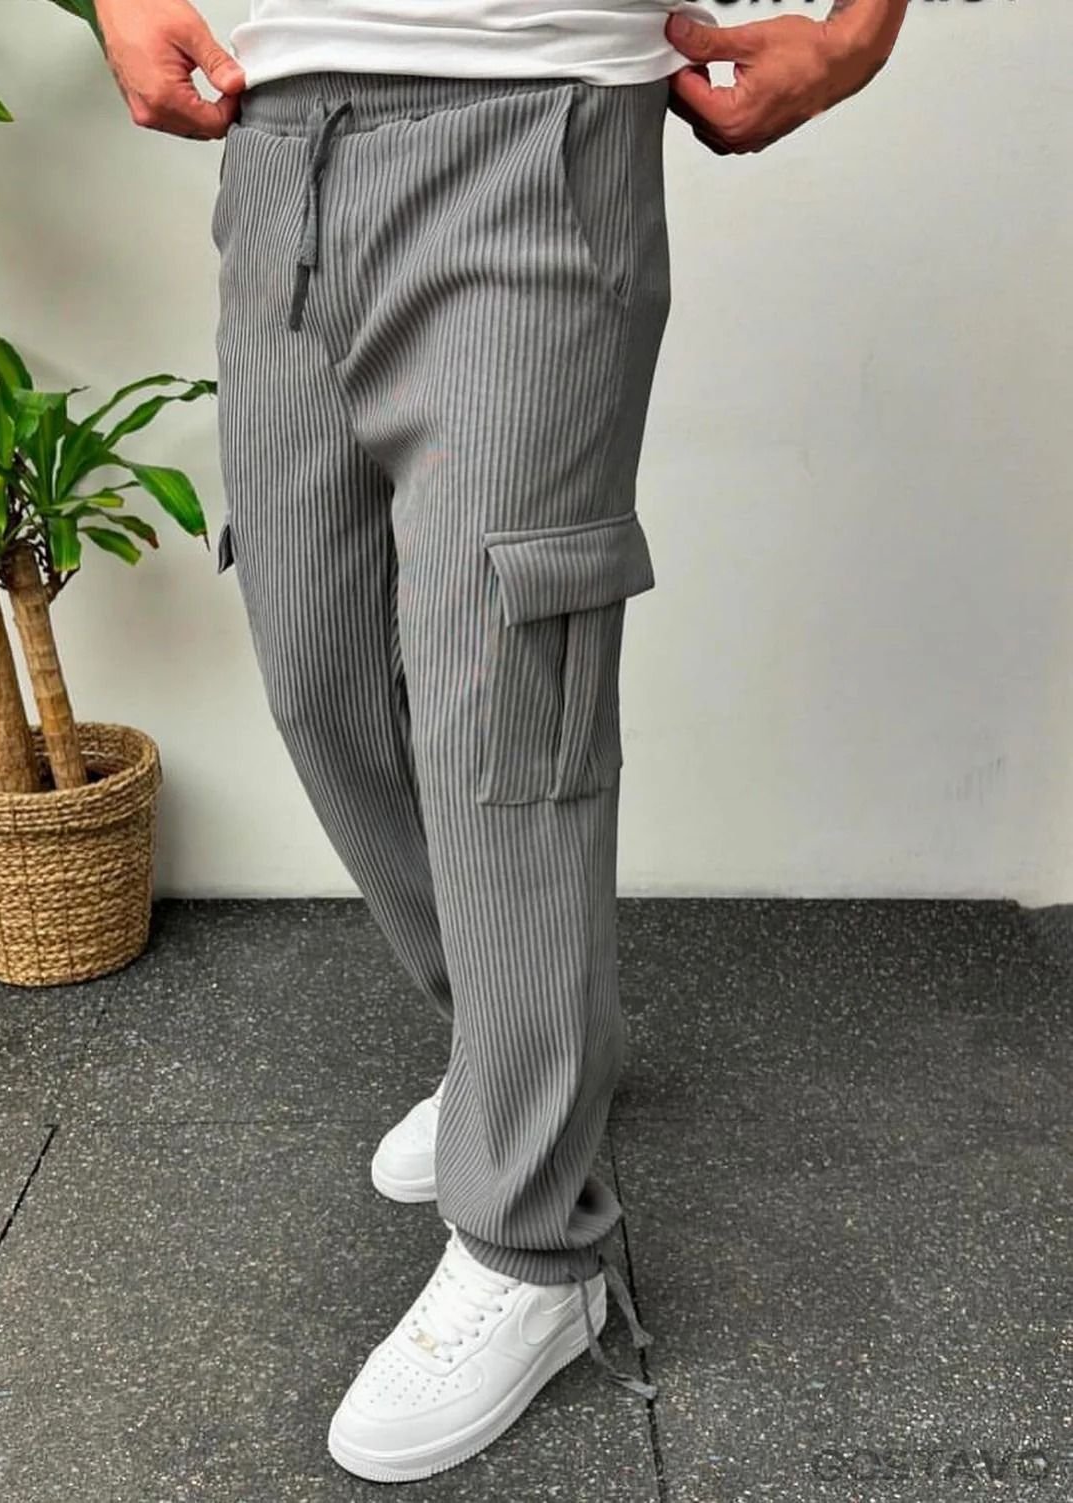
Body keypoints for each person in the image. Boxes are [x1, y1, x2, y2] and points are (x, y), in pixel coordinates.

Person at [95, 0, 908, 1483]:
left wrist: (863, 32)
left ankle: (533, 1250)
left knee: (502, 696)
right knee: (317, 660)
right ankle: (515, 1053)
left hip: (535, 122)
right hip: (279, 136)